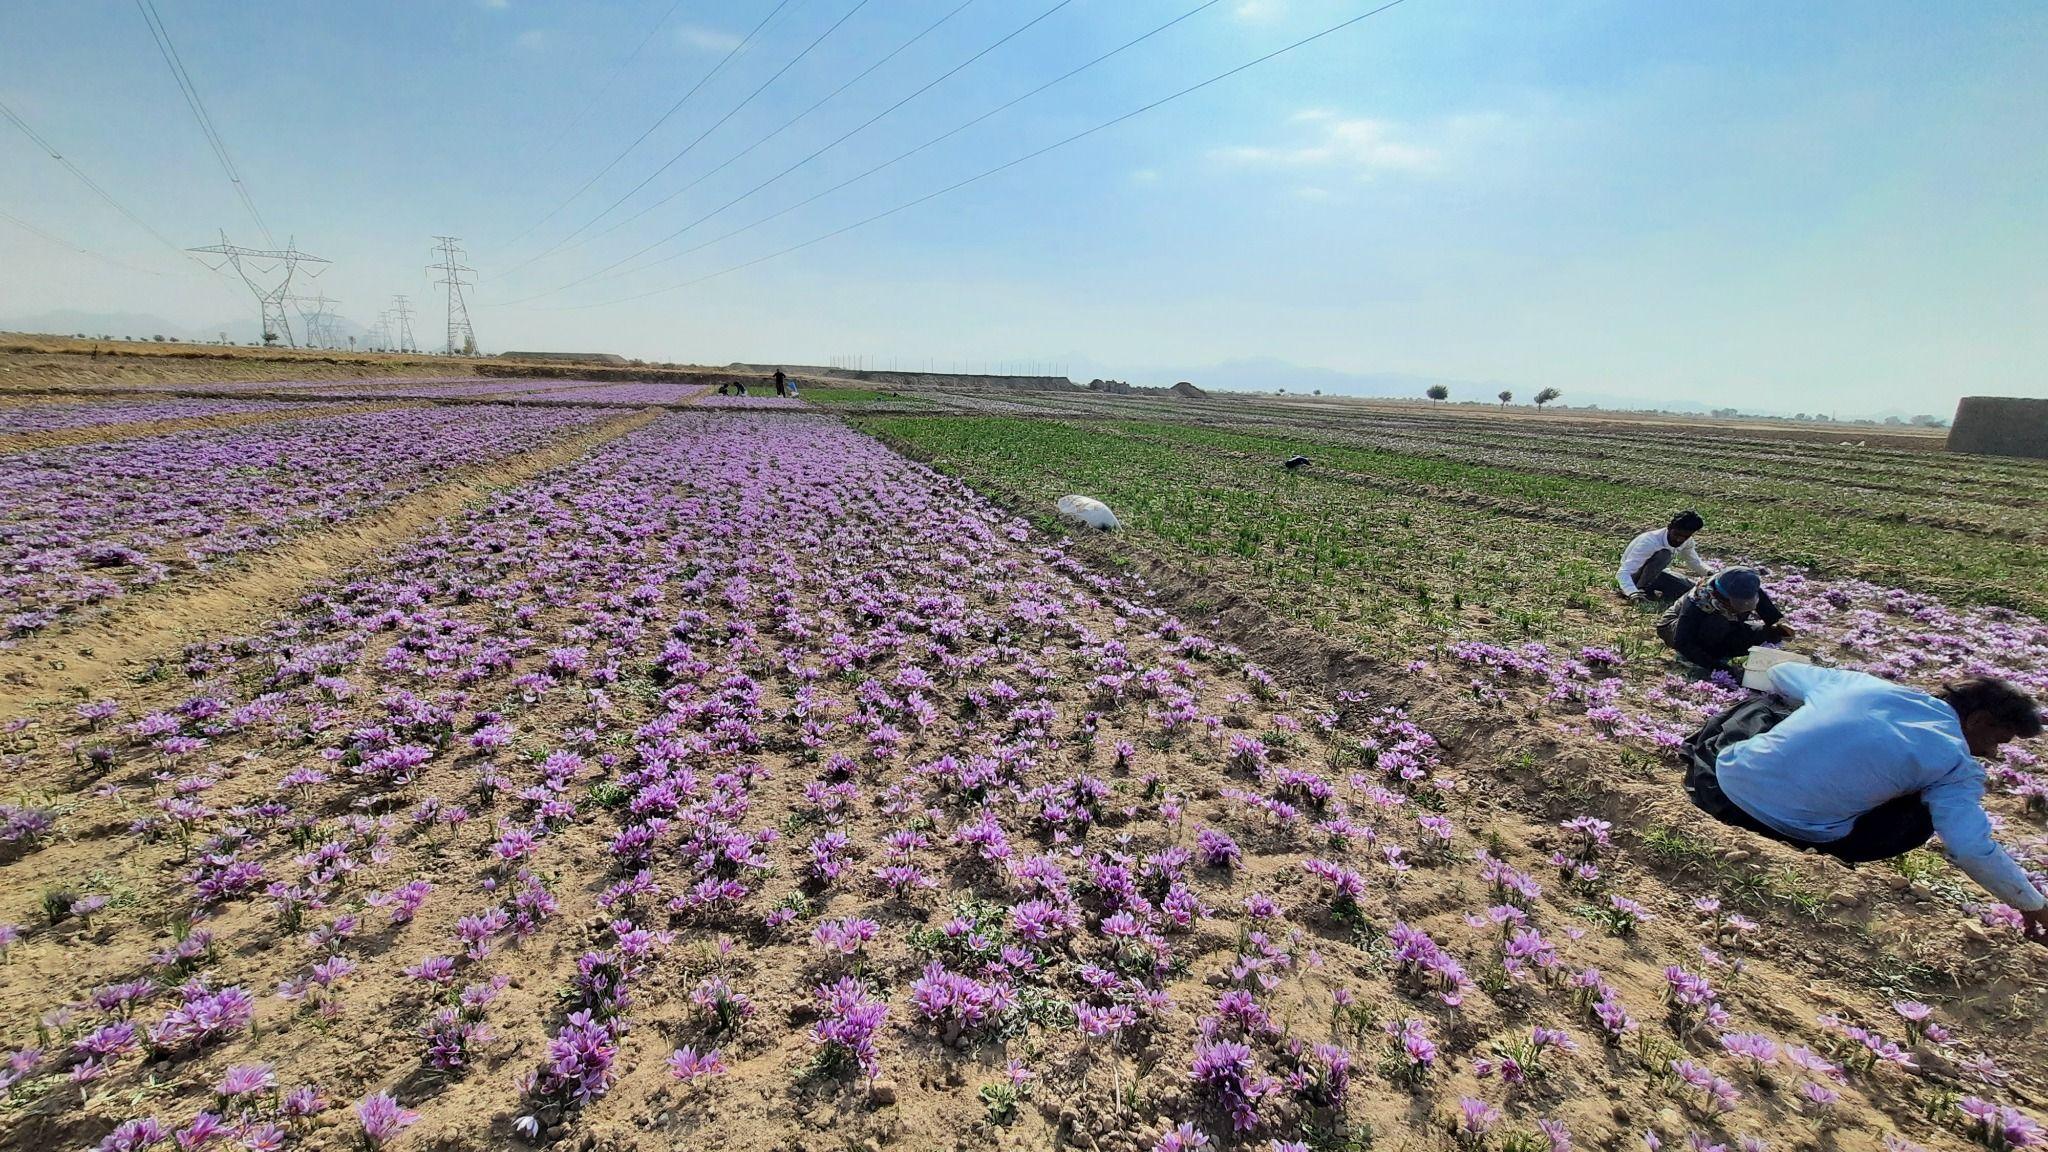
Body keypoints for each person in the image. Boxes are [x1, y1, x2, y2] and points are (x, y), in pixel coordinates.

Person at [1682, 667, 2048, 943]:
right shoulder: (1957, 763)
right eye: (1995, 740)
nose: (1992, 754)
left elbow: (1779, 672)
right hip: (1803, 836)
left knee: (1762, 706)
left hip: (1720, 793)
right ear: (1978, 720)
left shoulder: (1862, 685)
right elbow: (1970, 846)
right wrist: (2031, 902)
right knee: (1923, 815)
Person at [1656, 567, 1792, 673]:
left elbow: (1770, 615)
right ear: (1720, 595)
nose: (1742, 608)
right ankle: (1703, 656)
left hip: (1725, 627)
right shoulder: (1698, 601)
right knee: (1717, 624)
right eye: (1736, 603)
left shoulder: (1746, 589)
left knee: (1770, 634)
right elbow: (1682, 641)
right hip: (1675, 628)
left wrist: (1779, 625)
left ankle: (1716, 652)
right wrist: (1716, 667)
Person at [1618, 511, 1712, 602]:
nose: (1679, 539)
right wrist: (1632, 592)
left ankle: (1653, 590)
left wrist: (1711, 573)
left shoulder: (1687, 541)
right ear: (1669, 528)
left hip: (1658, 575)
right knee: (1664, 555)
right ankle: (1641, 590)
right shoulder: (1650, 542)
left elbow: (1694, 562)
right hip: (1634, 578)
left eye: (1685, 536)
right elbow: (1623, 572)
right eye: (1677, 534)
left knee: (1694, 591)